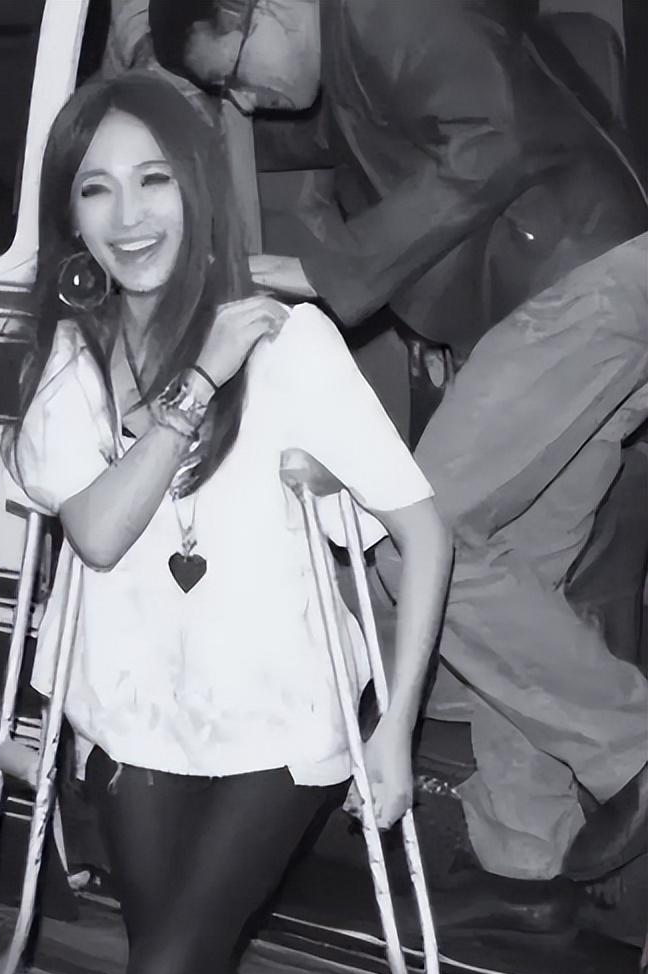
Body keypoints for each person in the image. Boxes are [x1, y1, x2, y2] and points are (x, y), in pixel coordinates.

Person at [4, 70, 451, 974]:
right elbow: (99, 533)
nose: (128, 216)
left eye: (153, 180)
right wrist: (201, 376)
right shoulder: (73, 365)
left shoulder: (292, 345)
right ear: (71, 218)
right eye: (95, 189)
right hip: (132, 711)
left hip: (278, 714)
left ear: (197, 189)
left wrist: (394, 727)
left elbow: (424, 532)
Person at [153, 0, 648, 899]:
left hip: (586, 278)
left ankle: (631, 748)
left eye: (234, 73)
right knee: (508, 570)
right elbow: (342, 143)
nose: (247, 101)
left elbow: (495, 134)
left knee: (421, 537)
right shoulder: (345, 56)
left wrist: (327, 269)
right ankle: (526, 861)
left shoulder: (383, 7)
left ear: (267, 7)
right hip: (578, 286)